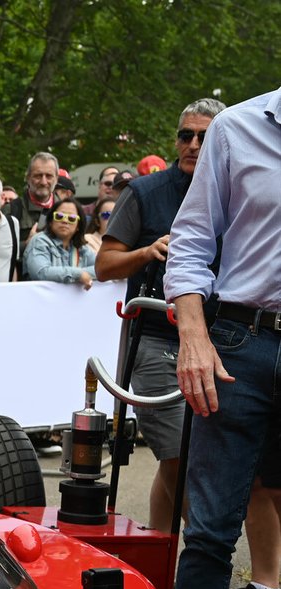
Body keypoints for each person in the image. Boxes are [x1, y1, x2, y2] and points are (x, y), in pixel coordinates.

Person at [159, 84, 281, 589]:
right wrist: (193, 334)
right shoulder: (237, 128)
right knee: (208, 534)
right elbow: (193, 240)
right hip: (241, 341)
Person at [95, 98, 228, 537]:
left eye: (204, 137)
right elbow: (104, 265)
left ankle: (158, 558)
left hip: (219, 340)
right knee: (177, 456)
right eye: (185, 135)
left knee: (185, 456)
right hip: (152, 340)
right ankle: (210, 554)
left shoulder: (236, 188)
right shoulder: (145, 192)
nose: (192, 144)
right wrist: (147, 251)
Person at [22, 197, 96, 288]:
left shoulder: (81, 248)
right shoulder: (39, 240)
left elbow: (101, 269)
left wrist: (82, 274)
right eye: (59, 216)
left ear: (78, 226)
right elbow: (41, 272)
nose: (64, 221)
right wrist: (78, 274)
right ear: (50, 222)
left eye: (71, 218)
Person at [5, 152, 59, 254]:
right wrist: (26, 245)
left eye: (49, 176)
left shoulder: (70, 212)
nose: (43, 182)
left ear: (56, 179)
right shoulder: (11, 210)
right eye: (38, 176)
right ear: (28, 177)